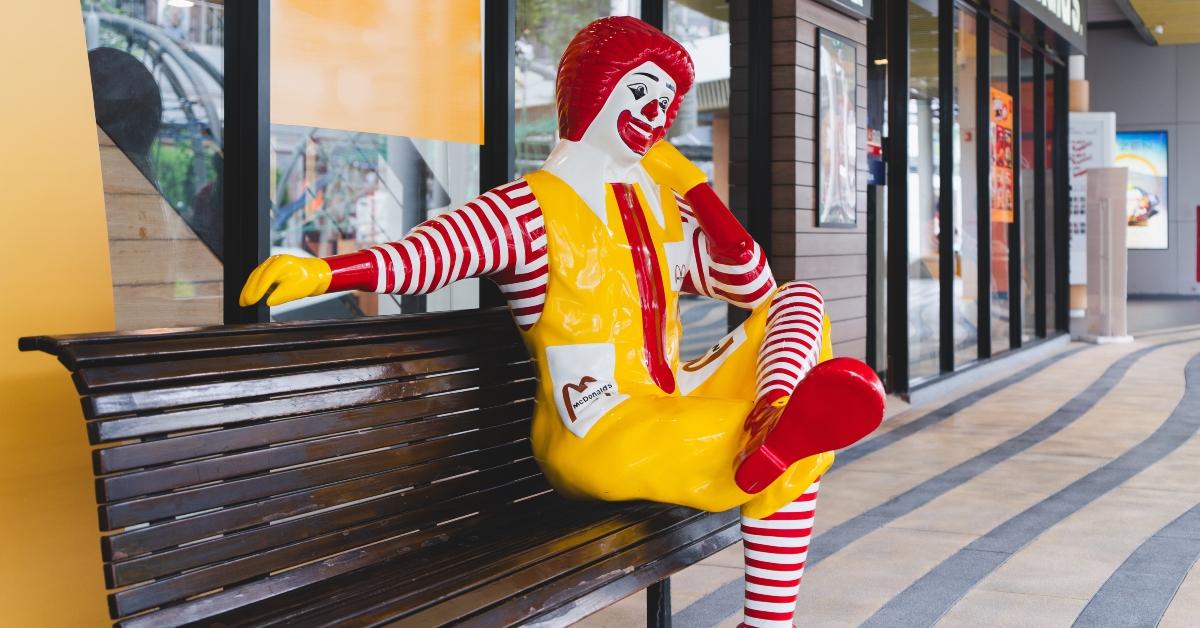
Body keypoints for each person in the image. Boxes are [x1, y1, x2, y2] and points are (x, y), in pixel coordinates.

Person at [239, 17, 884, 628]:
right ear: (592, 91)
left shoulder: (659, 206)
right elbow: (426, 255)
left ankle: (775, 411)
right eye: (640, 91)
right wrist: (325, 273)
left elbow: (753, 286)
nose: (654, 114)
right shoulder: (528, 210)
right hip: (600, 428)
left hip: (673, 394)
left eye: (665, 103)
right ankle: (771, 523)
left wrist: (693, 185)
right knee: (800, 452)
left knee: (798, 299)